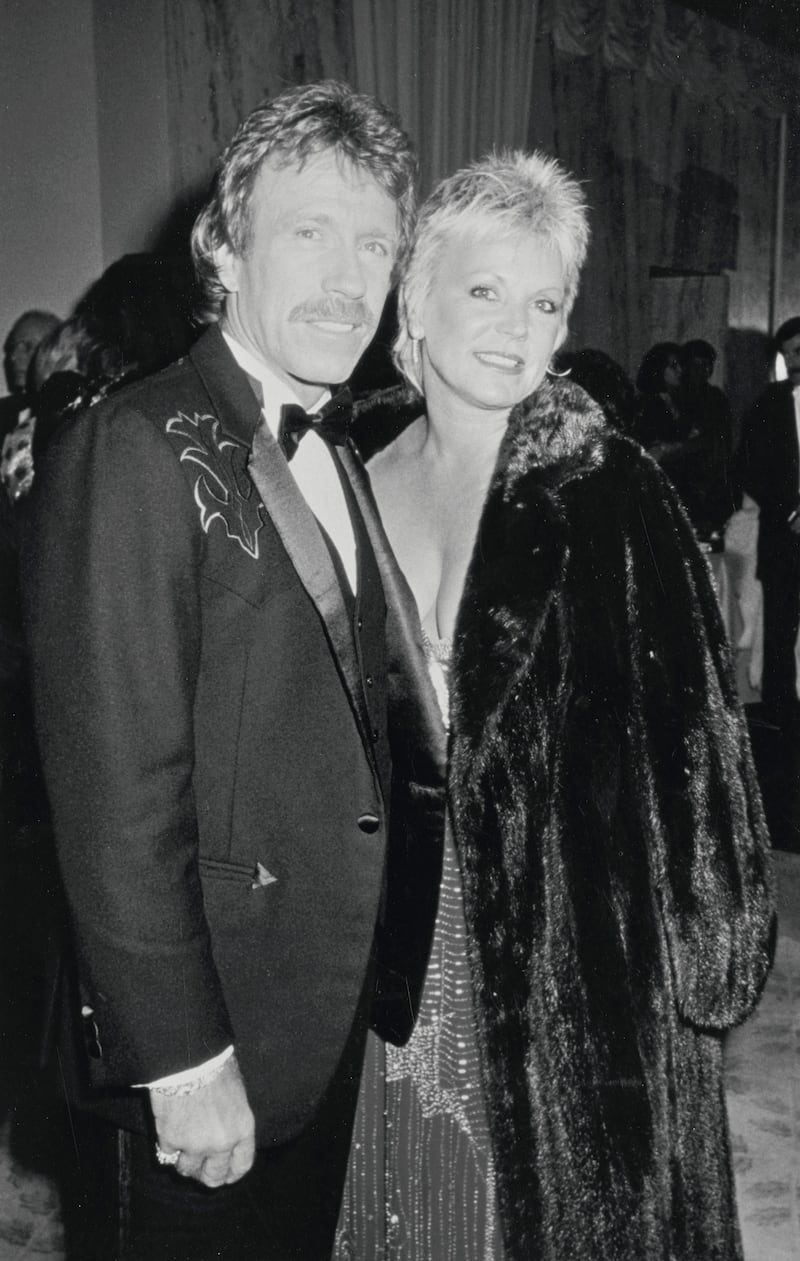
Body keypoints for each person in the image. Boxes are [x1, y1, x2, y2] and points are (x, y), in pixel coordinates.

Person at [18, 80, 445, 1261]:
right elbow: (113, 789)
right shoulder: (136, 442)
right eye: (309, 231)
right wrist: (182, 1057)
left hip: (312, 1009)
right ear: (226, 246)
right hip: (199, 1041)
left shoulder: (339, 443)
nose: (348, 275)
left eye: (374, 242)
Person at [338, 151, 775, 1260]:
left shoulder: (608, 487)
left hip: (573, 952)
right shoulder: (346, 472)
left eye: (543, 301)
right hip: (380, 936)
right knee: (398, 1207)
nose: (512, 326)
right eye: (483, 290)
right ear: (416, 297)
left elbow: (696, 739)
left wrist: (712, 946)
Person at [735, 315, 800, 725]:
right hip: (784, 534)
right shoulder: (768, 404)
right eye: (789, 353)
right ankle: (782, 719)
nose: (796, 360)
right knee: (779, 630)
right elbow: (749, 468)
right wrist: (790, 511)